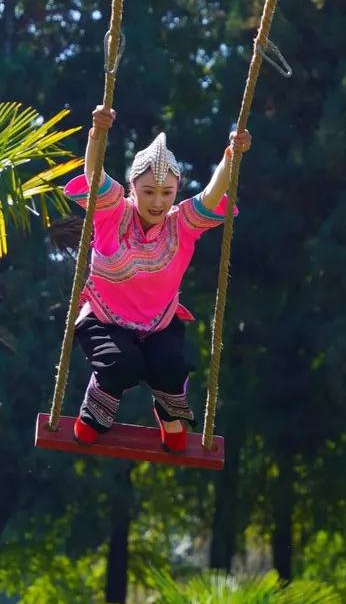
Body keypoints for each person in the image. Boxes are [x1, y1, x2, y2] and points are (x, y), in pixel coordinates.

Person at [63, 105, 251, 453]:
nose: (157, 201)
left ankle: (169, 414)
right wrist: (96, 133)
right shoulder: (112, 211)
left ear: (176, 192)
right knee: (123, 365)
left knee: (170, 367)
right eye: (148, 191)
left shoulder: (182, 224)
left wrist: (230, 156)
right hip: (105, 319)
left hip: (159, 323)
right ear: (133, 188)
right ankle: (97, 408)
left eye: (166, 193)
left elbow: (211, 195)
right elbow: (93, 172)